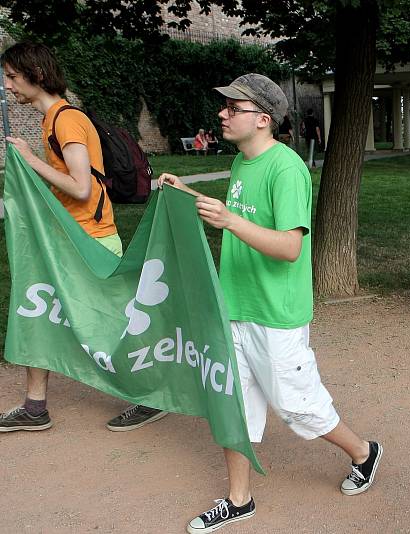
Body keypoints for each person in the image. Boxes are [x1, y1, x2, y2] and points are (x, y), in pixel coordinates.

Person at [157, 73, 382, 534]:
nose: (222, 114)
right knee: (233, 403)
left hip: (275, 313)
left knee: (297, 406)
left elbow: (289, 247)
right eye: (224, 107)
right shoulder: (242, 163)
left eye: (232, 108)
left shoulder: (287, 169)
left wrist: (228, 222)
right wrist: (191, 195)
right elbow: (240, 218)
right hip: (235, 305)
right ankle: (239, 499)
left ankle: (363, 451)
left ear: (262, 119)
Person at [0, 41, 166, 433]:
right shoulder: (51, 119)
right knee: (35, 309)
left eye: (11, 77)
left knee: (111, 325)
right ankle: (34, 406)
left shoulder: (67, 120)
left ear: (36, 76)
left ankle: (150, 395)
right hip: (67, 241)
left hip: (91, 241)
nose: (7, 86)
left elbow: (81, 189)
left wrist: (30, 161)